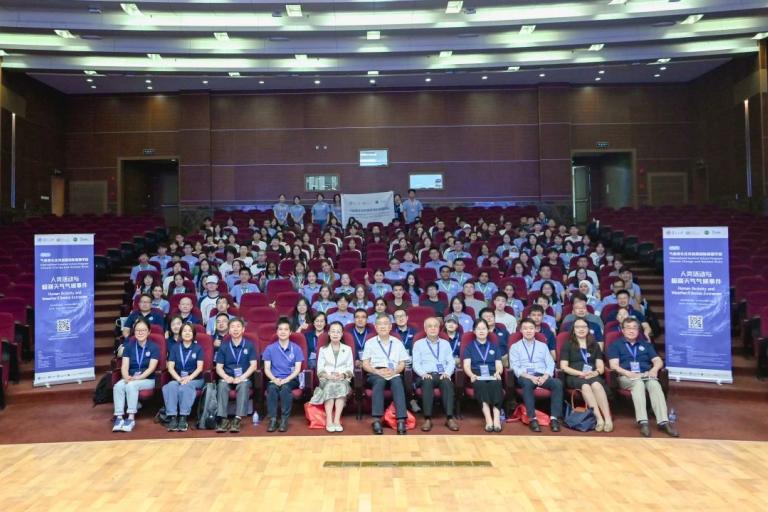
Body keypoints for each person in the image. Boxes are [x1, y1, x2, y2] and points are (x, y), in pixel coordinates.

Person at [608, 318, 679, 438]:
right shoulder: (616, 345)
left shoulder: (645, 344)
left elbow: (657, 360)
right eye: (628, 328)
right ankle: (643, 422)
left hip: (645, 374)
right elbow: (613, 365)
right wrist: (628, 373)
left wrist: (654, 369)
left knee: (655, 384)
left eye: (634, 328)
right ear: (623, 330)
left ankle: (664, 422)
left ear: (638, 330)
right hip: (626, 377)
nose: (631, 330)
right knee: (638, 384)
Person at [509, 318, 563, 433]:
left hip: (541, 375)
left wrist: (546, 376)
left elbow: (550, 363)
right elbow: (515, 367)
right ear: (521, 330)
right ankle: (532, 418)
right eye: (525, 328)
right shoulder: (515, 347)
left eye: (531, 328)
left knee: (557, 383)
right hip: (525, 376)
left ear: (535, 330)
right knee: (528, 384)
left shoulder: (542, 345)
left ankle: (554, 418)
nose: (528, 331)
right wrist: (531, 377)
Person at [559, 318, 613, 432]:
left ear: (588, 329)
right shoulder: (568, 345)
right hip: (574, 375)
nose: (581, 329)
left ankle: (608, 419)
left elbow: (601, 366)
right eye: (578, 327)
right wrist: (581, 373)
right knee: (586, 386)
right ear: (573, 330)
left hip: (592, 375)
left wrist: (596, 372)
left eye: (583, 327)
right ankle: (599, 419)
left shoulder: (595, 345)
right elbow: (564, 366)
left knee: (597, 385)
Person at [362, 315, 410, 434]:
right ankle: (377, 419)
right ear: (375, 327)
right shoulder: (370, 343)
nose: (383, 326)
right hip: (376, 372)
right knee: (380, 381)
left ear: (390, 327)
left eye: (385, 324)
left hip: (393, 371)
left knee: (397, 382)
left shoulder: (397, 342)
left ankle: (400, 420)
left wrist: (395, 371)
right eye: (380, 324)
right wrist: (377, 371)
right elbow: (365, 364)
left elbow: (402, 363)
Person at [412, 317, 459, 431]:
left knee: (447, 382)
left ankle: (449, 418)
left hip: (442, 374)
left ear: (439, 328)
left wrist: (447, 373)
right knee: (427, 382)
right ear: (425, 329)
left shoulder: (445, 344)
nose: (433, 328)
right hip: (425, 375)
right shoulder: (418, 344)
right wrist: (423, 373)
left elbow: (451, 361)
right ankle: (427, 418)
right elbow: (415, 363)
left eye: (435, 326)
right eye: (430, 326)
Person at [112, 319, 160, 433]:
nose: (140, 332)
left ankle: (130, 418)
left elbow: (151, 368)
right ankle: (119, 417)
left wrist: (137, 378)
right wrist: (126, 376)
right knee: (118, 386)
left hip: (148, 379)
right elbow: (124, 366)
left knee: (131, 386)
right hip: (130, 377)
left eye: (143, 330)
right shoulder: (129, 347)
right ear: (134, 332)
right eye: (138, 330)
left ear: (148, 332)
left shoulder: (154, 347)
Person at [214, 318, 258, 433]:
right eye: (232, 327)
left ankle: (237, 419)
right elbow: (218, 367)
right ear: (229, 330)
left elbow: (253, 365)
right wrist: (226, 377)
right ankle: (223, 419)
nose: (235, 329)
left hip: (243, 377)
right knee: (222, 386)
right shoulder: (224, 346)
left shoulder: (249, 345)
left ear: (243, 329)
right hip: (228, 377)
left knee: (243, 386)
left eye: (238, 326)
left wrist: (242, 377)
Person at [262, 318, 305, 432]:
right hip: (274, 378)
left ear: (290, 332)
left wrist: (287, 379)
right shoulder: (270, 348)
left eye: (286, 329)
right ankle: (273, 419)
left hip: (291, 379)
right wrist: (274, 379)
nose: (283, 332)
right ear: (276, 332)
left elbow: (297, 369)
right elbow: (266, 368)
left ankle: (284, 419)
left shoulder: (296, 348)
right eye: (280, 329)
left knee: (285, 388)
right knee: (271, 388)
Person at [310, 321, 353, 432]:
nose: (335, 334)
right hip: (326, 379)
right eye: (333, 331)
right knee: (330, 386)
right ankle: (329, 419)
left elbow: (350, 368)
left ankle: (337, 420)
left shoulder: (347, 349)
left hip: (342, 379)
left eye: (338, 331)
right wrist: (328, 376)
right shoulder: (323, 350)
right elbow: (320, 369)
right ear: (328, 333)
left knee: (340, 386)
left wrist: (342, 375)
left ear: (342, 334)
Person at [462, 319, 504, 432]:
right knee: (481, 385)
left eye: (484, 329)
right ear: (474, 331)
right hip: (477, 374)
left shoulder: (494, 346)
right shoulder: (469, 347)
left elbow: (499, 365)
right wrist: (471, 375)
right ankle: (488, 419)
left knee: (497, 383)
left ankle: (496, 419)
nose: (481, 331)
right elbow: (466, 365)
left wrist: (498, 372)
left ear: (488, 330)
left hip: (492, 373)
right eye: (478, 329)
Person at [162, 323, 205, 432]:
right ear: (181, 333)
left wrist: (188, 378)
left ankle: (183, 417)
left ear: (193, 334)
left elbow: (200, 368)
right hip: (178, 378)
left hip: (195, 379)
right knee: (171, 385)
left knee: (186, 386)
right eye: (184, 331)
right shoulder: (175, 347)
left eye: (189, 331)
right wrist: (178, 379)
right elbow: (170, 367)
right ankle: (172, 417)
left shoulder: (198, 348)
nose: (187, 333)